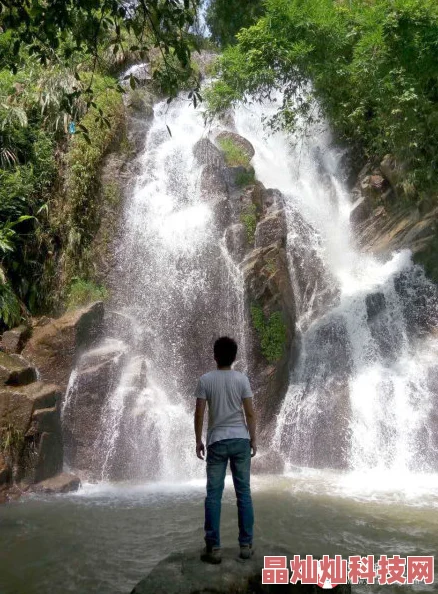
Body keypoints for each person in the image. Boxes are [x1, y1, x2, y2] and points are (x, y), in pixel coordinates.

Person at [194, 336, 257, 564]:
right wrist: (254, 439)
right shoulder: (242, 379)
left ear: (215, 355)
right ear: (234, 357)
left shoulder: (206, 380)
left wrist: (198, 440)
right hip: (240, 440)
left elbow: (199, 413)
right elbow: (250, 413)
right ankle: (246, 545)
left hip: (217, 442)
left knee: (213, 495)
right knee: (244, 494)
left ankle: (214, 548)